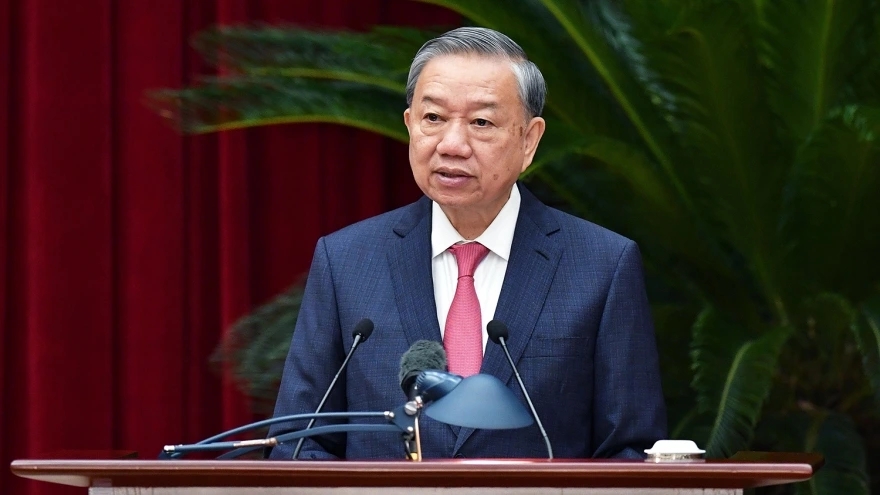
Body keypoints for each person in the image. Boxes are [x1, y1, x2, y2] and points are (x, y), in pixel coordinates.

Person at [268, 26, 667, 460]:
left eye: (481, 122)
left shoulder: (602, 266)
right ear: (410, 125)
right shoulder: (346, 261)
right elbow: (300, 443)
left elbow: (629, 451)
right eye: (433, 118)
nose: (452, 145)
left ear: (529, 140)